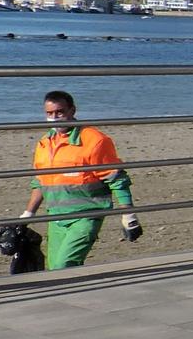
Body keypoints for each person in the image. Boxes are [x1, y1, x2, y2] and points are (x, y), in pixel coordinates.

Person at [22, 90, 142, 269]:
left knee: (64, 265)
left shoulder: (95, 140)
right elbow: (41, 181)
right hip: (56, 217)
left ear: (72, 110)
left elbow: (117, 179)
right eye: (49, 113)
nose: (54, 118)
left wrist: (129, 216)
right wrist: (28, 214)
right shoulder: (44, 143)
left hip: (86, 215)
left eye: (59, 112)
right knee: (55, 268)